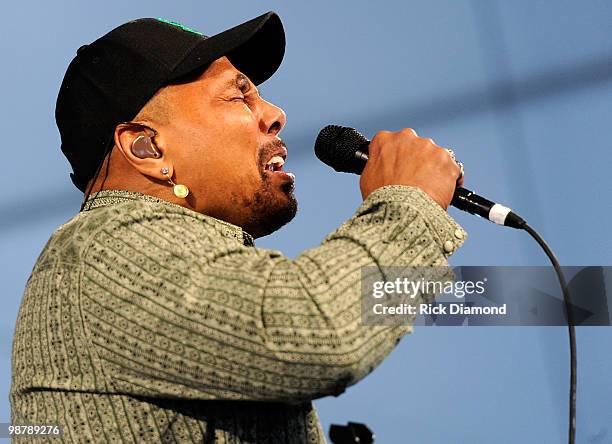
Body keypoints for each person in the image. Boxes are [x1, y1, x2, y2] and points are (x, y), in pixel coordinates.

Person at [10, 11, 466, 444]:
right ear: (148, 148)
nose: (274, 112)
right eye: (239, 94)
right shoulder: (100, 249)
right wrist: (411, 203)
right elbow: (318, 333)